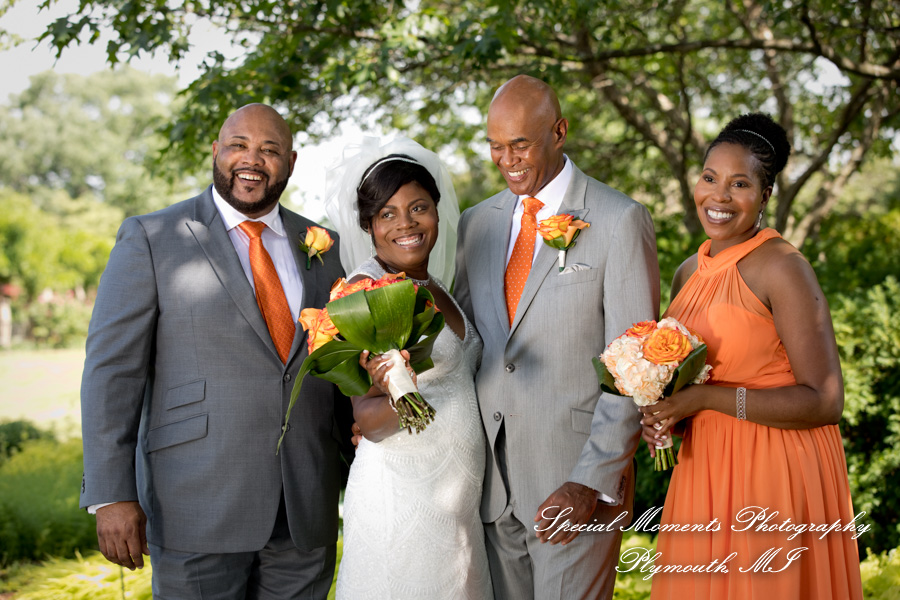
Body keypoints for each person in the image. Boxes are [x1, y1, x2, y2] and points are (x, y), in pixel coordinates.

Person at [80, 103, 351, 599]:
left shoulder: (326, 248)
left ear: (290, 162)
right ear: (216, 152)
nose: (253, 159)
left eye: (270, 150)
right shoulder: (152, 237)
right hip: (195, 505)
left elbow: (341, 371)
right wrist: (111, 494)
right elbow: (111, 372)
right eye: (239, 146)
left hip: (304, 507)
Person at [640, 113, 863, 599]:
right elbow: (689, 383)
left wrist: (704, 400)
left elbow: (825, 402)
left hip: (773, 471)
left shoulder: (782, 268)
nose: (718, 196)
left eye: (739, 184)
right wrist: (666, 417)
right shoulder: (687, 273)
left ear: (764, 195)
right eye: (710, 178)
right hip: (704, 471)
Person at [454, 74, 661, 599]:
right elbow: (461, 345)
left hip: (574, 484)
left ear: (560, 131)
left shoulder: (620, 220)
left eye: (520, 144)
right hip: (490, 488)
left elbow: (632, 367)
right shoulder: (476, 224)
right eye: (496, 147)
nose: (507, 160)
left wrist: (591, 481)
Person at [323, 138, 493, 599]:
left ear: (437, 211)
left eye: (418, 207)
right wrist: (404, 388)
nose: (406, 224)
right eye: (388, 214)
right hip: (403, 498)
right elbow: (370, 421)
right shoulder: (365, 292)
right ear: (369, 226)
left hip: (457, 501)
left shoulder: (436, 284)